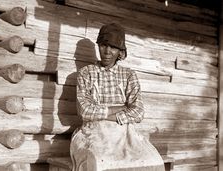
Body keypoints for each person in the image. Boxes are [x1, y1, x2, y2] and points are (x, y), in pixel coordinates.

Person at [70, 23, 165, 171]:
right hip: (93, 134)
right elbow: (84, 110)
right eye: (103, 45)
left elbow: (138, 112)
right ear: (99, 46)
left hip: (125, 135)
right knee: (99, 163)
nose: (107, 51)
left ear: (120, 51)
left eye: (113, 47)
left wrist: (102, 113)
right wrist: (121, 108)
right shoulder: (86, 73)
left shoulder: (128, 75)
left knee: (153, 161)